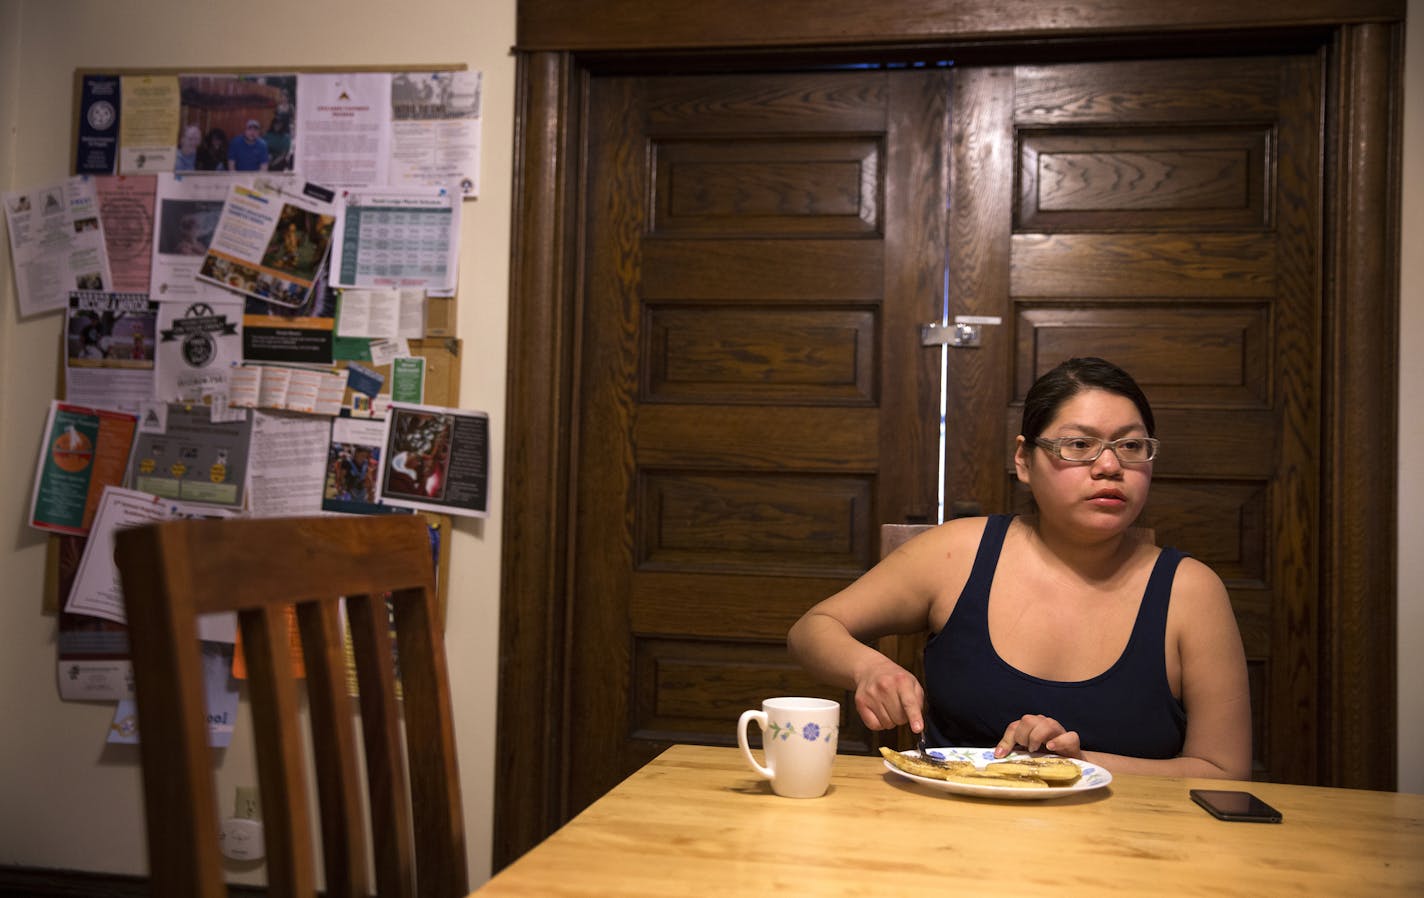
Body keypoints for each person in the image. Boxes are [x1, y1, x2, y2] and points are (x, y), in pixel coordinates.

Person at [787, 357, 1251, 780]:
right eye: (1079, 444)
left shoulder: (1190, 592)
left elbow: (1224, 773)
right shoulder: (958, 553)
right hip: (951, 837)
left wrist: (1080, 765)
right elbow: (812, 628)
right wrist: (868, 668)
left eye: (1131, 445)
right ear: (1024, 461)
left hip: (1132, 850)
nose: (1109, 465)